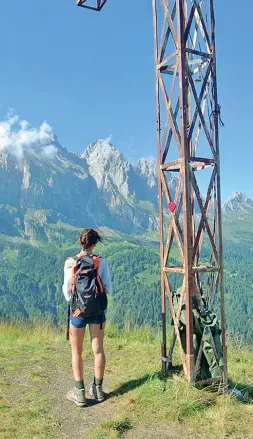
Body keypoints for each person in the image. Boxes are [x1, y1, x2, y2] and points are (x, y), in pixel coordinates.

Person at [62, 228, 112, 407]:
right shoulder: (101, 262)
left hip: (77, 313)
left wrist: (77, 303)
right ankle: (98, 390)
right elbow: (107, 287)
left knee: (77, 352)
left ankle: (80, 393)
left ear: (80, 242)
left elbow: (67, 291)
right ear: (95, 243)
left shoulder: (70, 263)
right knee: (98, 351)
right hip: (98, 312)